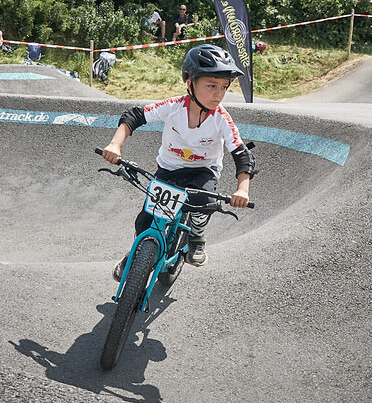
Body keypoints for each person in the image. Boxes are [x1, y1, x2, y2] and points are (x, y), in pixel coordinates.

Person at [100, 44, 256, 278]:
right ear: (190, 83)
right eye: (211, 86)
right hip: (169, 169)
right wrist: (115, 144)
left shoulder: (222, 118)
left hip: (203, 171)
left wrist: (242, 189)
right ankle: (135, 254)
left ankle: (196, 235)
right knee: (145, 220)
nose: (219, 94)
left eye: (224, 87)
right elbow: (135, 115)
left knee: (201, 201)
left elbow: (241, 153)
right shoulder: (173, 106)